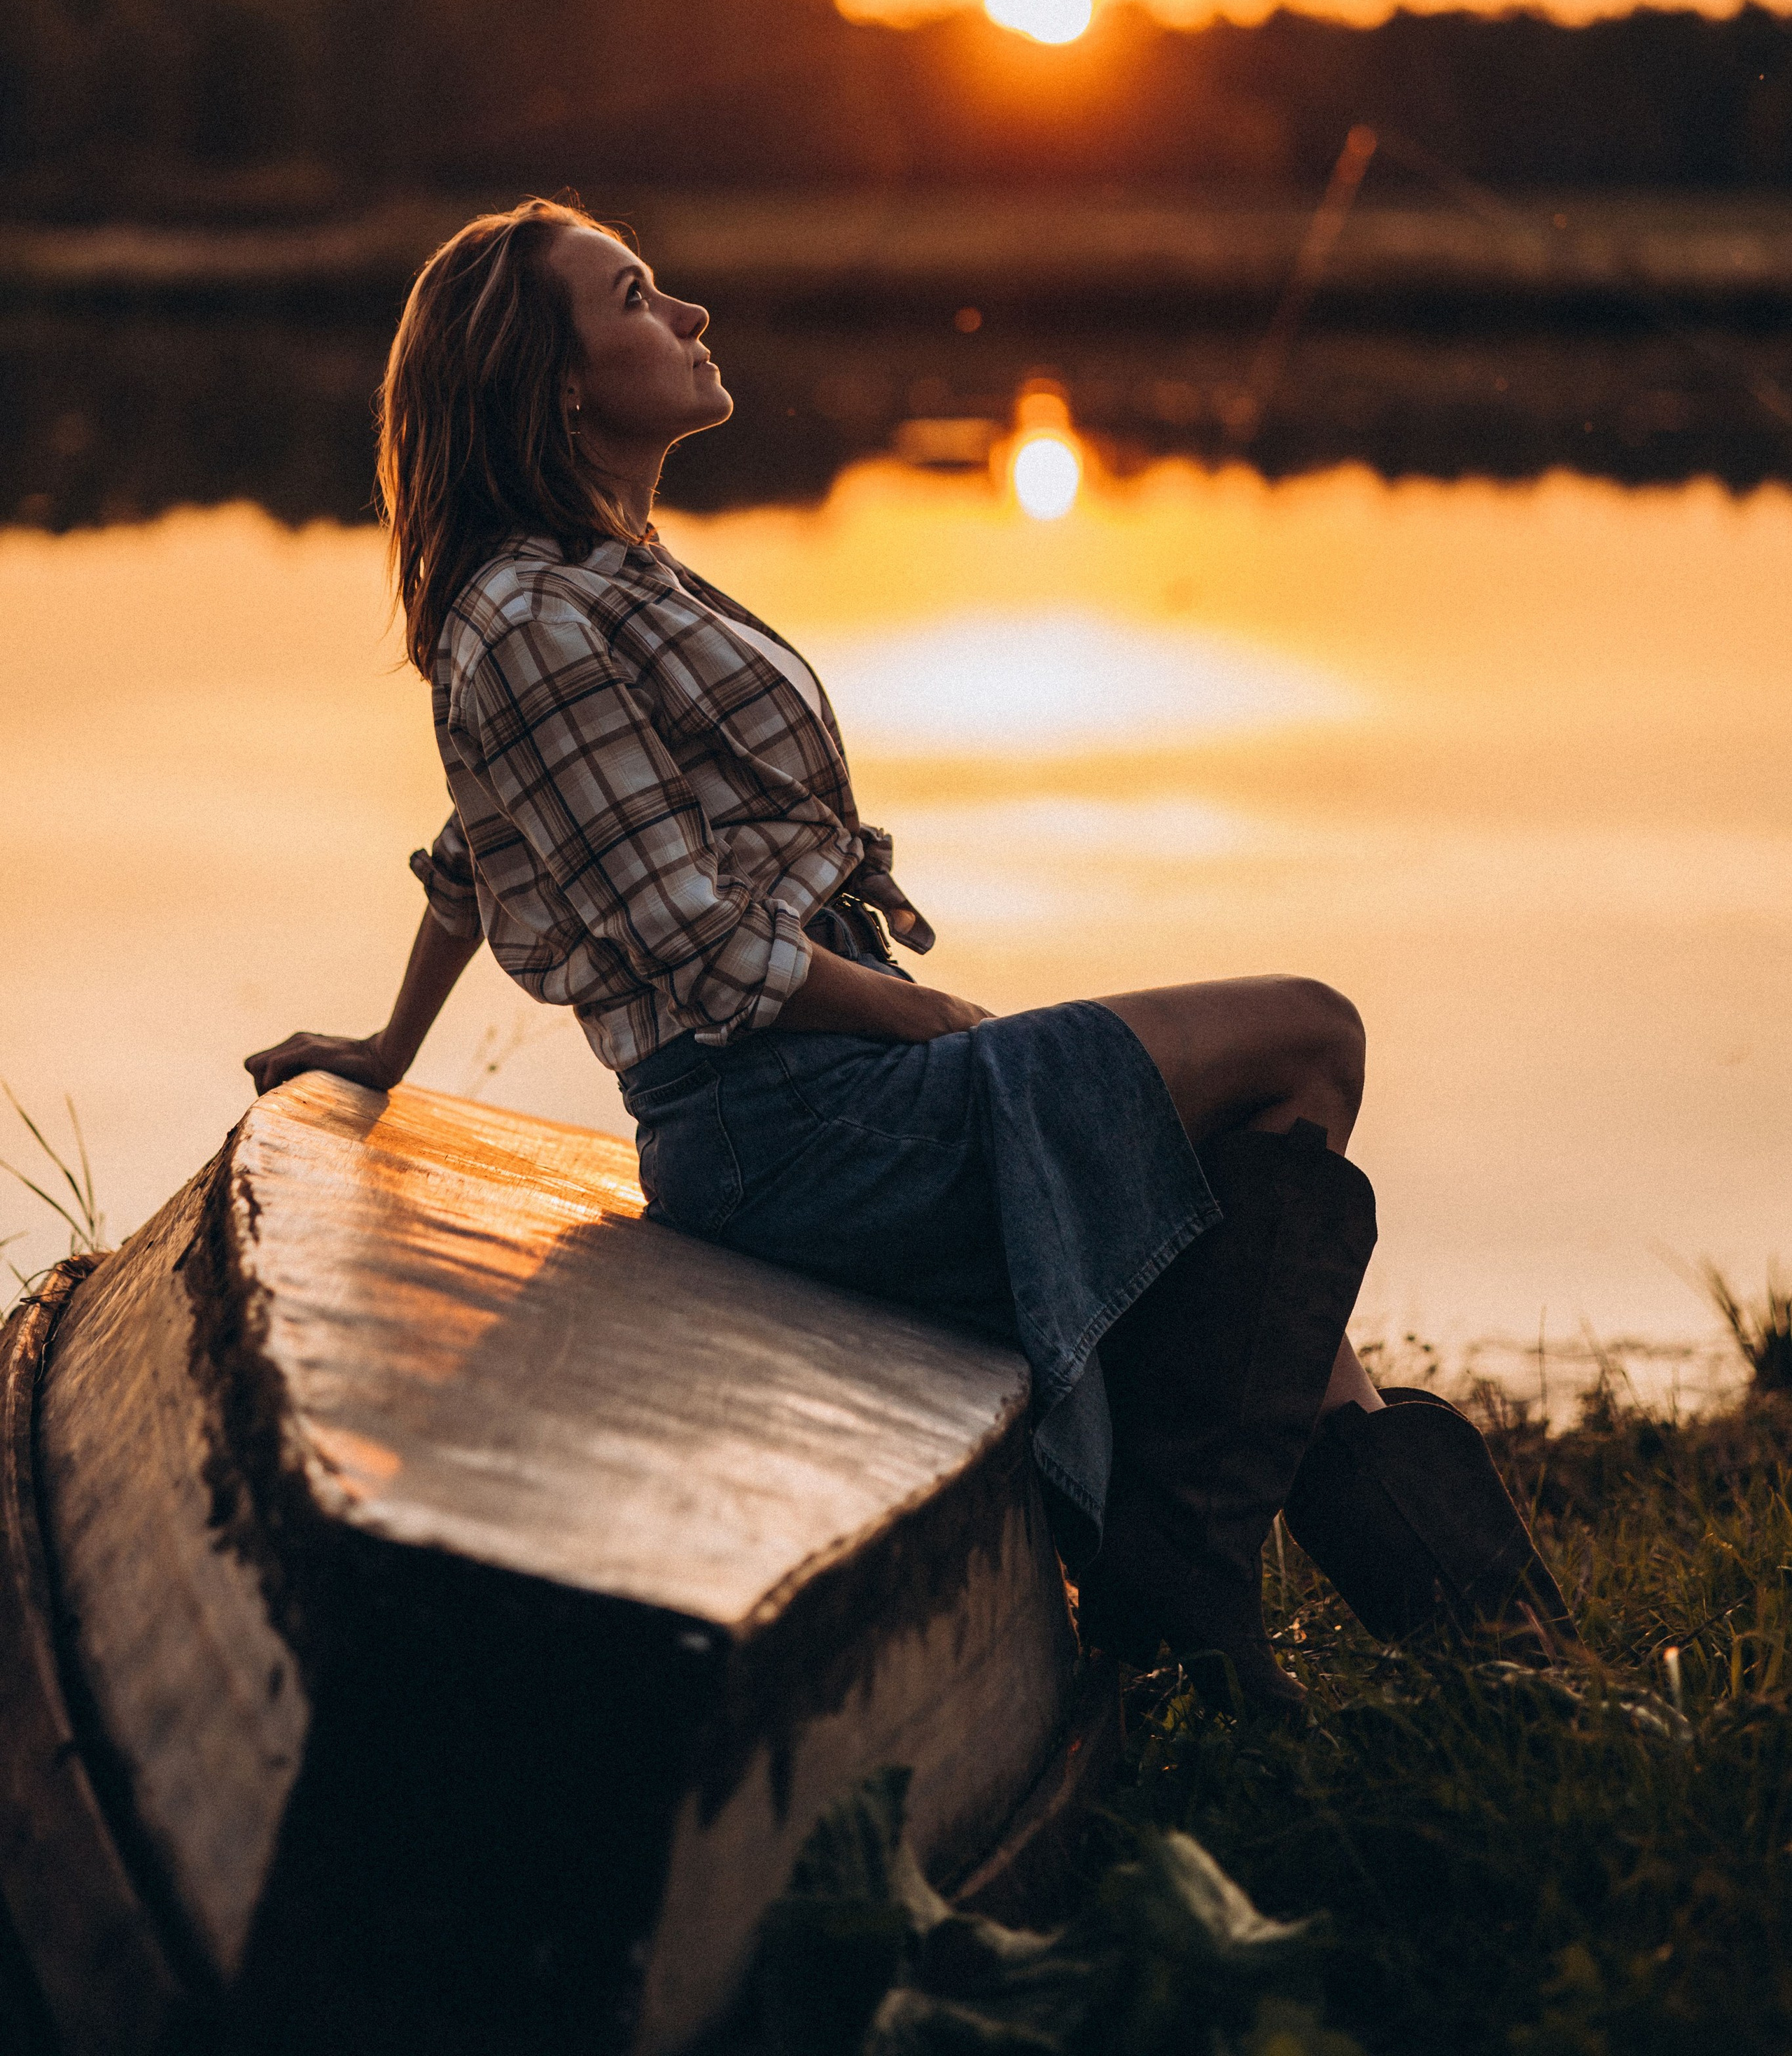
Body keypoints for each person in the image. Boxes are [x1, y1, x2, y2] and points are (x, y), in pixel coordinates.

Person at [247, 198, 1572, 1709]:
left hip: (820, 1095)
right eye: (635, 299)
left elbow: (479, 843)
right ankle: (1196, 1580)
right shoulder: (531, 615)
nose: (687, 315)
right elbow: (692, 941)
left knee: (1248, 1226)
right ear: (552, 381)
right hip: (790, 1125)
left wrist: (388, 1041)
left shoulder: (601, 579)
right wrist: (916, 1011)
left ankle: (1497, 1664)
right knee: (1307, 1039)